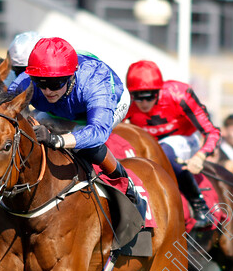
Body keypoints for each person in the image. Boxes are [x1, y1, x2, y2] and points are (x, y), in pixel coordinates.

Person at [7, 37, 137, 202]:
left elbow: (98, 132)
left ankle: (125, 182)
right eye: (40, 83)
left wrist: (57, 140)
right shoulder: (27, 80)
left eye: (55, 83)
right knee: (31, 126)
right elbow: (4, 107)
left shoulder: (94, 81)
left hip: (109, 106)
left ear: (70, 76)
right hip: (63, 110)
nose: (47, 91)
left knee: (85, 145)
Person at [123, 59, 221, 229]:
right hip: (148, 144)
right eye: (138, 98)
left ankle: (199, 204)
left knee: (164, 151)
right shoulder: (126, 102)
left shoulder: (180, 95)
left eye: (149, 97)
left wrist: (201, 155)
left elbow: (212, 131)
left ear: (159, 91)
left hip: (184, 140)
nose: (144, 104)